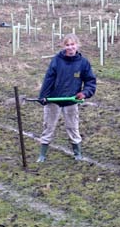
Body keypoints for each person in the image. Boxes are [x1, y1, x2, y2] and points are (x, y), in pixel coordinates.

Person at [37, 33, 96, 162]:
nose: (70, 47)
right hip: (54, 100)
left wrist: (84, 93)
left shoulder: (83, 63)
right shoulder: (57, 60)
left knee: (73, 127)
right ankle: (42, 155)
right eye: (67, 45)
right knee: (49, 126)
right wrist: (43, 97)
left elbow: (90, 82)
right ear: (63, 46)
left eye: (72, 44)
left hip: (71, 100)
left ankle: (77, 153)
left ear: (77, 45)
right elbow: (49, 79)